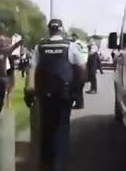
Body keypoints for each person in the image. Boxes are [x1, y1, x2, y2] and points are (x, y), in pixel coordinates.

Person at [24, 19, 86, 171]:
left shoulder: (40, 47)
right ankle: (59, 164)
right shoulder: (70, 46)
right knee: (62, 128)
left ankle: (46, 162)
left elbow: (32, 68)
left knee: (46, 127)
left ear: (49, 30)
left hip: (45, 93)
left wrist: (30, 90)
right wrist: (77, 90)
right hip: (64, 94)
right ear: (61, 30)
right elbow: (82, 68)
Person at [69, 34, 85, 110]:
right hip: (82, 70)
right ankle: (80, 104)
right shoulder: (80, 46)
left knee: (77, 90)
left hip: (78, 72)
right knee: (79, 90)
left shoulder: (75, 46)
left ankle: (78, 104)